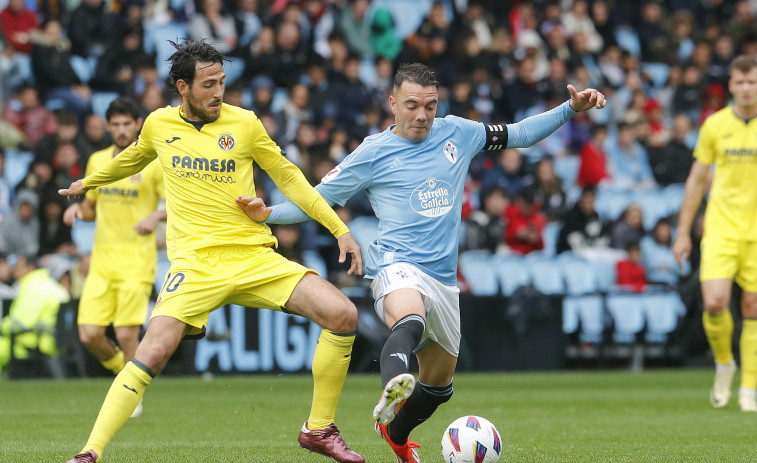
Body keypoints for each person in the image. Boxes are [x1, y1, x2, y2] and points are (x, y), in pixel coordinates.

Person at [238, 63, 605, 462]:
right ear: (393, 103)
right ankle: (395, 382)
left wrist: (569, 108)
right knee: (409, 319)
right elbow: (317, 198)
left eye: (430, 105)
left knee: (439, 387)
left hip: (444, 280)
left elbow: (518, 134)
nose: (422, 115)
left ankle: (394, 431)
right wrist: (269, 213)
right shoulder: (373, 152)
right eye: (412, 105)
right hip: (397, 267)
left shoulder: (457, 133)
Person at [59, 40, 365, 463]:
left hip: (252, 255)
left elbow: (291, 179)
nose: (219, 91)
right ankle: (89, 453)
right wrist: (87, 183)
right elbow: (131, 159)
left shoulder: (245, 124)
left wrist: (338, 229)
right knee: (151, 351)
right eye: (208, 84)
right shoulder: (158, 125)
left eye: (222, 82)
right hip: (195, 264)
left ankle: (318, 429)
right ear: (183, 87)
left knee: (344, 314)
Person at [62, 97, 165, 419]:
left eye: (127, 124)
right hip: (102, 261)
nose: (121, 130)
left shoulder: (152, 161)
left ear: (138, 125)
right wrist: (78, 209)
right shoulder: (96, 161)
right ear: (107, 127)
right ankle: (125, 372)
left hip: (137, 260)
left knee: (124, 333)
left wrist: (155, 217)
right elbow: (93, 207)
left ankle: (130, 395)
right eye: (115, 125)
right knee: (90, 334)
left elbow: (175, 202)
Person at [673, 55, 757, 413]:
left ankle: (749, 389)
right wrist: (683, 232)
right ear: (731, 86)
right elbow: (697, 179)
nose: (746, 88)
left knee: (753, 306)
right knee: (714, 303)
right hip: (721, 228)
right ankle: (725, 363)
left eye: (752, 82)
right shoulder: (715, 125)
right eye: (740, 82)